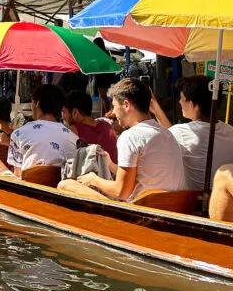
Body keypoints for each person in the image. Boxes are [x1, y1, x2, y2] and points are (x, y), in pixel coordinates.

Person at [58, 78, 186, 202]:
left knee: (65, 185)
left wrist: (93, 179)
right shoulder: (167, 133)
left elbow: (121, 192)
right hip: (171, 208)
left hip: (141, 212)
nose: (113, 112)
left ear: (126, 105)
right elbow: (141, 175)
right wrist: (110, 165)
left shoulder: (131, 136)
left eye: (114, 106)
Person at [149, 75, 233, 190]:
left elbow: (171, 135)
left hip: (195, 202)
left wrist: (156, 110)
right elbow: (172, 134)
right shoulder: (232, 131)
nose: (179, 102)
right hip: (229, 200)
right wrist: (157, 110)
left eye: (182, 99)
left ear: (193, 105)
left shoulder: (182, 132)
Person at [0, 85, 76, 174]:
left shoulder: (20, 133)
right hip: (57, 187)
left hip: (27, 187)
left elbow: (18, 173)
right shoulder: (73, 137)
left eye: (32, 103)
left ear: (37, 104)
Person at [62, 90, 118, 163]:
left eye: (64, 112)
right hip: (111, 173)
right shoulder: (107, 126)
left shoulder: (74, 130)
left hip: (90, 173)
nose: (62, 117)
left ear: (75, 112)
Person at [92, 38, 118, 115]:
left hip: (101, 77)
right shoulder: (106, 52)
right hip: (105, 78)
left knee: (103, 97)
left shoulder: (100, 53)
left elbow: (99, 66)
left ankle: (107, 114)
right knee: (103, 97)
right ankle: (103, 114)